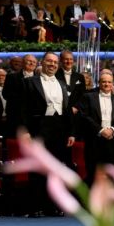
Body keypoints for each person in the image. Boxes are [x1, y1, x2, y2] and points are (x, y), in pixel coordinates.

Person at [22, 52, 76, 217]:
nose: (52, 64)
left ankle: (53, 206)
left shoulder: (62, 84)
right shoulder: (30, 82)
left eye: (55, 62)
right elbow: (21, 109)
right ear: (42, 62)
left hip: (59, 128)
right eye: (49, 61)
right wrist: (25, 131)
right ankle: (35, 207)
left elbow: (67, 111)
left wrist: (71, 133)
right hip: (39, 128)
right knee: (38, 167)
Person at [78, 71, 114, 184]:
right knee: (93, 173)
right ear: (99, 83)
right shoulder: (88, 97)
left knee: (113, 173)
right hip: (94, 141)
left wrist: (112, 130)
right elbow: (84, 116)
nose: (106, 84)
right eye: (104, 82)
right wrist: (101, 130)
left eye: (109, 82)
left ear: (112, 84)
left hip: (113, 141)